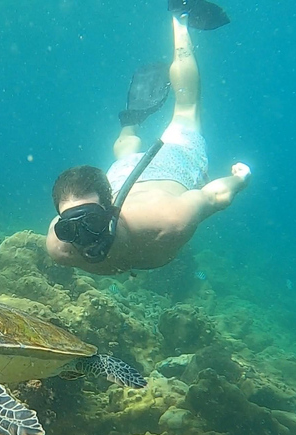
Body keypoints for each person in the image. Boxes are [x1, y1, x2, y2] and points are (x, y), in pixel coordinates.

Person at [45, 0, 250, 275]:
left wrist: (239, 180)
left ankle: (180, 17)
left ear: (111, 210)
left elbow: (214, 197)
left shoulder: (168, 220)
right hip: (123, 177)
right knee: (126, 156)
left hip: (174, 166)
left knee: (186, 109)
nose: (83, 241)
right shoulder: (60, 246)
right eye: (68, 228)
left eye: (91, 223)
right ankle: (129, 123)